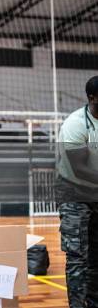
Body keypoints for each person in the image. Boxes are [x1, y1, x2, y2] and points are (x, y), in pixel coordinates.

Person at [57, 76, 98, 308]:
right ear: (92, 98)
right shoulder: (76, 124)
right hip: (74, 193)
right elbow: (80, 169)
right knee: (77, 257)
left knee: (96, 256)